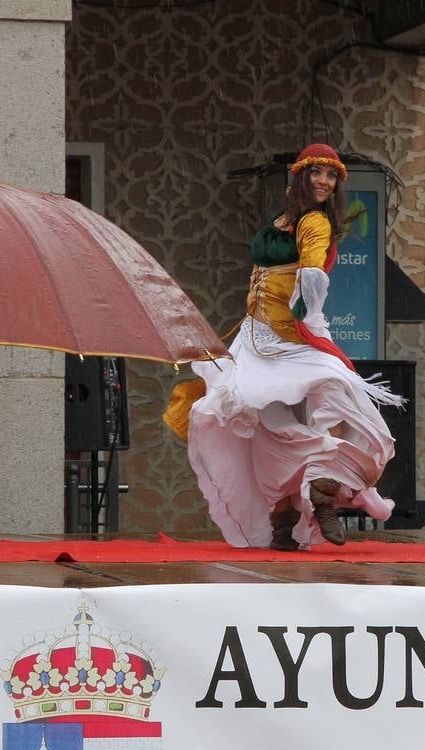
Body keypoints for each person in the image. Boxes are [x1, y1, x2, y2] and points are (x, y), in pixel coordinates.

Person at [168, 143, 402, 550]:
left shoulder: (315, 222)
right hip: (255, 339)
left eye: (331, 176)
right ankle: (286, 514)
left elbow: (312, 271)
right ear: (300, 176)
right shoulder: (284, 219)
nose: (325, 182)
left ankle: (322, 486)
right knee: (263, 425)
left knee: (320, 406)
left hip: (291, 336)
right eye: (317, 174)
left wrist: (304, 308)